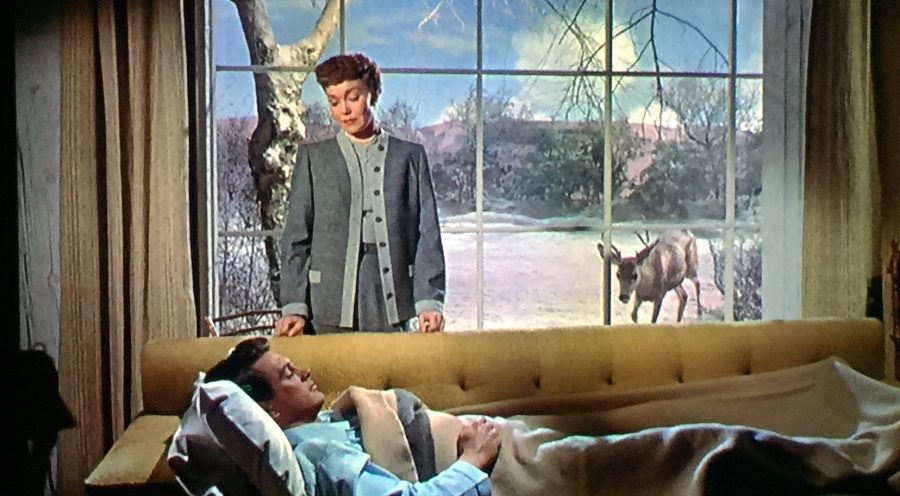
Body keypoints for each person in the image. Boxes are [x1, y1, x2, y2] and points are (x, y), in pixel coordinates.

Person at [277, 53, 446, 336]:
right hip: (326, 300)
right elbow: (296, 239)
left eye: (353, 97)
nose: (344, 110)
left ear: (372, 94)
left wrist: (429, 301)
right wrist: (294, 306)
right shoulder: (313, 159)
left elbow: (427, 235)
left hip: (390, 297)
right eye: (334, 102)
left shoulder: (409, 157)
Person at [204, 337, 499, 495]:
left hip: (465, 428)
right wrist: (474, 458)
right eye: (289, 374)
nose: (305, 372)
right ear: (270, 409)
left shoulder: (326, 424)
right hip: (480, 456)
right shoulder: (320, 455)